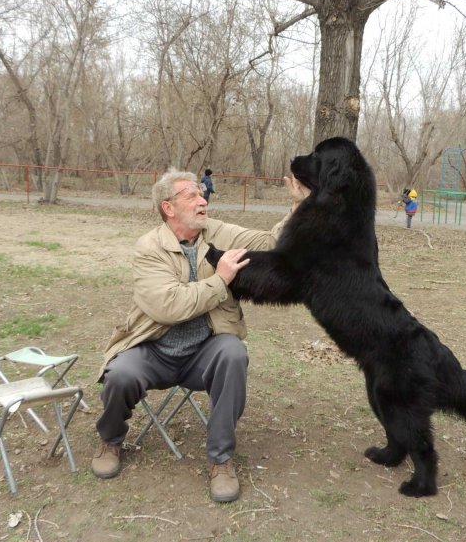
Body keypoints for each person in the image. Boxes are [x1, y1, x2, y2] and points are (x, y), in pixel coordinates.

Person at [91, 167, 310, 503]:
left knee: (233, 352)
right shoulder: (149, 247)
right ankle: (110, 439)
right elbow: (168, 307)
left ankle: (221, 460)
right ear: (169, 207)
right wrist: (220, 280)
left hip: (204, 352)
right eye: (191, 194)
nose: (202, 199)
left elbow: (270, 243)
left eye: (201, 192)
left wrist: (299, 207)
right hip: (154, 350)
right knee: (120, 373)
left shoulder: (217, 232)